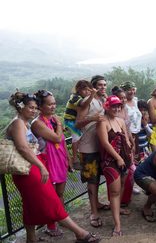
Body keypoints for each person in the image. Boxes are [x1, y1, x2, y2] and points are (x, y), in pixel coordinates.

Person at [6, 91, 99, 243]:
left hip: (30, 168)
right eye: (30, 107)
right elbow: (23, 148)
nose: (34, 110)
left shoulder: (24, 123)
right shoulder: (18, 123)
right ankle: (80, 233)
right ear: (20, 107)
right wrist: (41, 167)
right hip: (31, 169)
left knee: (30, 206)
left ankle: (31, 239)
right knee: (52, 201)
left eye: (35, 107)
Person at [31, 90, 69, 236]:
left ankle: (61, 218)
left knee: (59, 193)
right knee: (50, 195)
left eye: (54, 103)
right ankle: (50, 225)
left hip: (59, 159)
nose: (53, 107)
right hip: (47, 161)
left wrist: (69, 159)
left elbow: (63, 142)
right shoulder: (37, 123)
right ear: (40, 106)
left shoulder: (53, 119)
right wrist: (59, 125)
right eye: (49, 104)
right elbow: (57, 138)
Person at [75, 75, 109, 228]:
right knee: (92, 181)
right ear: (92, 88)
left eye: (104, 85)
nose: (103, 88)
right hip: (88, 148)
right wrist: (92, 119)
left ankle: (98, 204)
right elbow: (77, 124)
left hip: (101, 144)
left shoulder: (100, 100)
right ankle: (94, 212)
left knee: (100, 177)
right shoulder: (84, 102)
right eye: (99, 85)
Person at [97, 95, 133, 236]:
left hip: (124, 159)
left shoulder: (120, 120)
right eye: (113, 106)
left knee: (122, 186)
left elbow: (126, 139)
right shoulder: (102, 122)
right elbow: (105, 143)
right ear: (107, 106)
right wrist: (118, 158)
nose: (117, 108)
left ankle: (117, 210)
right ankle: (117, 225)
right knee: (114, 192)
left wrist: (129, 153)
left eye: (118, 106)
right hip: (110, 161)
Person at [63, 80, 95, 170]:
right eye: (84, 90)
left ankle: (78, 155)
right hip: (70, 120)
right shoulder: (75, 97)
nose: (87, 92)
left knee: (80, 136)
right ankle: (75, 159)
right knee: (76, 136)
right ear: (78, 90)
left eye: (89, 90)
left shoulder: (81, 97)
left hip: (73, 120)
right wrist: (92, 95)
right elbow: (84, 105)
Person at [120, 81, 142, 154]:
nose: (131, 92)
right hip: (128, 135)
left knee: (138, 157)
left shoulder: (135, 100)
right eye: (129, 90)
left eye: (133, 89)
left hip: (138, 134)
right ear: (124, 91)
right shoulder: (122, 104)